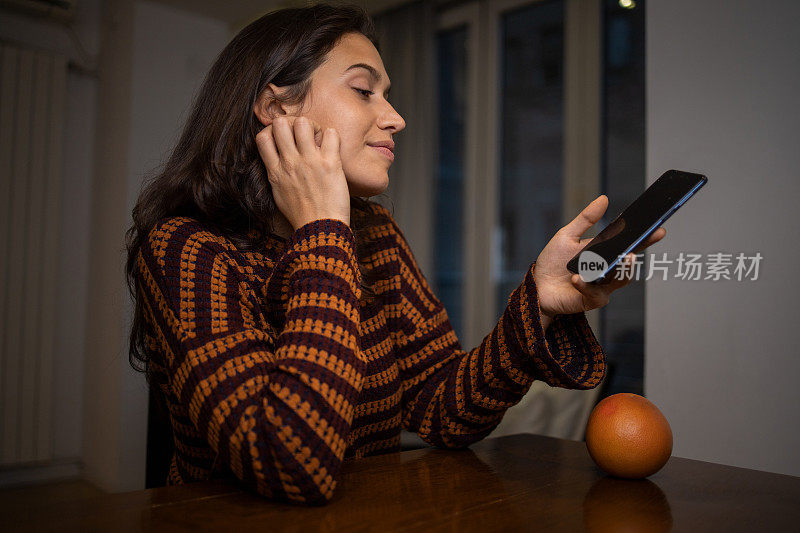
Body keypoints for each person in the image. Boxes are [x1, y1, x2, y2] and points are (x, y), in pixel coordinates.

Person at [125, 3, 665, 506]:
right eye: (364, 91)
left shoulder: (373, 233)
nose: (395, 117)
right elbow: (288, 462)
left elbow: (440, 411)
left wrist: (539, 306)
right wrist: (321, 230)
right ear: (275, 108)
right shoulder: (185, 248)